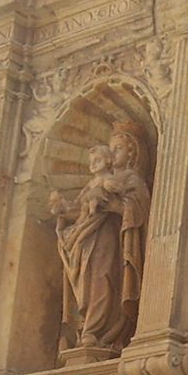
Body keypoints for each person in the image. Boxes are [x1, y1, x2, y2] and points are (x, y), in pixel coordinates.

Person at [50, 131, 150, 361]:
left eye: (118, 149)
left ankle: (98, 331)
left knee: (103, 278)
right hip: (85, 241)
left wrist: (111, 204)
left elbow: (137, 211)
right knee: (86, 280)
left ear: (131, 154)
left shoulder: (130, 180)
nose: (114, 154)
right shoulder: (93, 184)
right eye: (111, 149)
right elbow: (80, 210)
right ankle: (86, 327)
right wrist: (63, 209)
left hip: (108, 239)